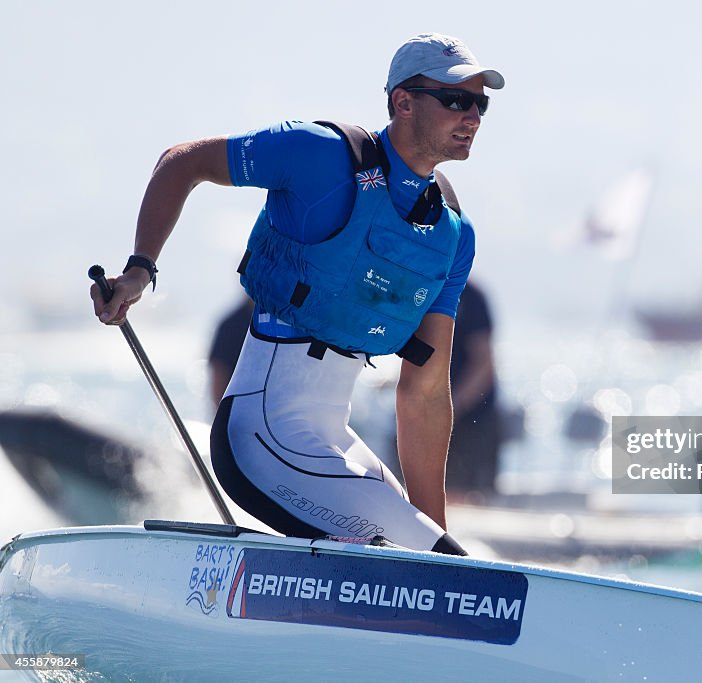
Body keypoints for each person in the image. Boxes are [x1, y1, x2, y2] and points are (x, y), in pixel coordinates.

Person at [91, 33, 504, 555]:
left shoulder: (451, 235)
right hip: (260, 436)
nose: (472, 116)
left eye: (480, 104)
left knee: (433, 557)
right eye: (455, 100)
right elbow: (182, 162)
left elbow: (423, 395)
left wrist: (440, 546)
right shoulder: (319, 154)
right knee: (421, 556)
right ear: (403, 101)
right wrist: (139, 271)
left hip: (333, 441)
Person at [446, 279, 501, 500]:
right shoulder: (428, 288)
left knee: (469, 494)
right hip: (436, 409)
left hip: (472, 416)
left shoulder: (472, 297)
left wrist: (452, 407)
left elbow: (484, 364)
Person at [207, 296, 254, 408]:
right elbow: (219, 376)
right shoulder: (230, 326)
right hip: (238, 415)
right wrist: (223, 420)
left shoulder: (291, 322)